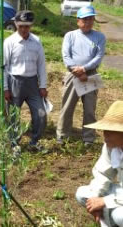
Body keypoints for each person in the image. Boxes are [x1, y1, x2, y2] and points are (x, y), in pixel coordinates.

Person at [56, 6, 106, 146]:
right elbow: (66, 56)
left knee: (90, 109)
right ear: (78, 20)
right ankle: (63, 135)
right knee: (67, 106)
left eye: (91, 18)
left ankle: (88, 138)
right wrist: (76, 71)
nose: (88, 21)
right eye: (85, 19)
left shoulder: (100, 37)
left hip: (90, 75)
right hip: (73, 74)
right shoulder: (70, 35)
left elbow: (99, 57)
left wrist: (84, 69)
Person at [4, 10, 47, 150]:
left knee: (41, 114)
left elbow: (41, 64)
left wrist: (43, 86)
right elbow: (4, 66)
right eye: (21, 25)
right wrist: (5, 88)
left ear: (31, 26)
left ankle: (34, 142)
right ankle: (14, 144)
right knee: (14, 116)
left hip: (33, 82)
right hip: (15, 82)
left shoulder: (36, 41)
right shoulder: (9, 42)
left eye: (27, 26)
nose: (24, 29)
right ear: (16, 24)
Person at [76, 100, 123, 227]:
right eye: (104, 130)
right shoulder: (111, 147)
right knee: (82, 194)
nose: (105, 134)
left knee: (120, 216)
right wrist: (96, 198)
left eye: (111, 131)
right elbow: (103, 174)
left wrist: (105, 201)